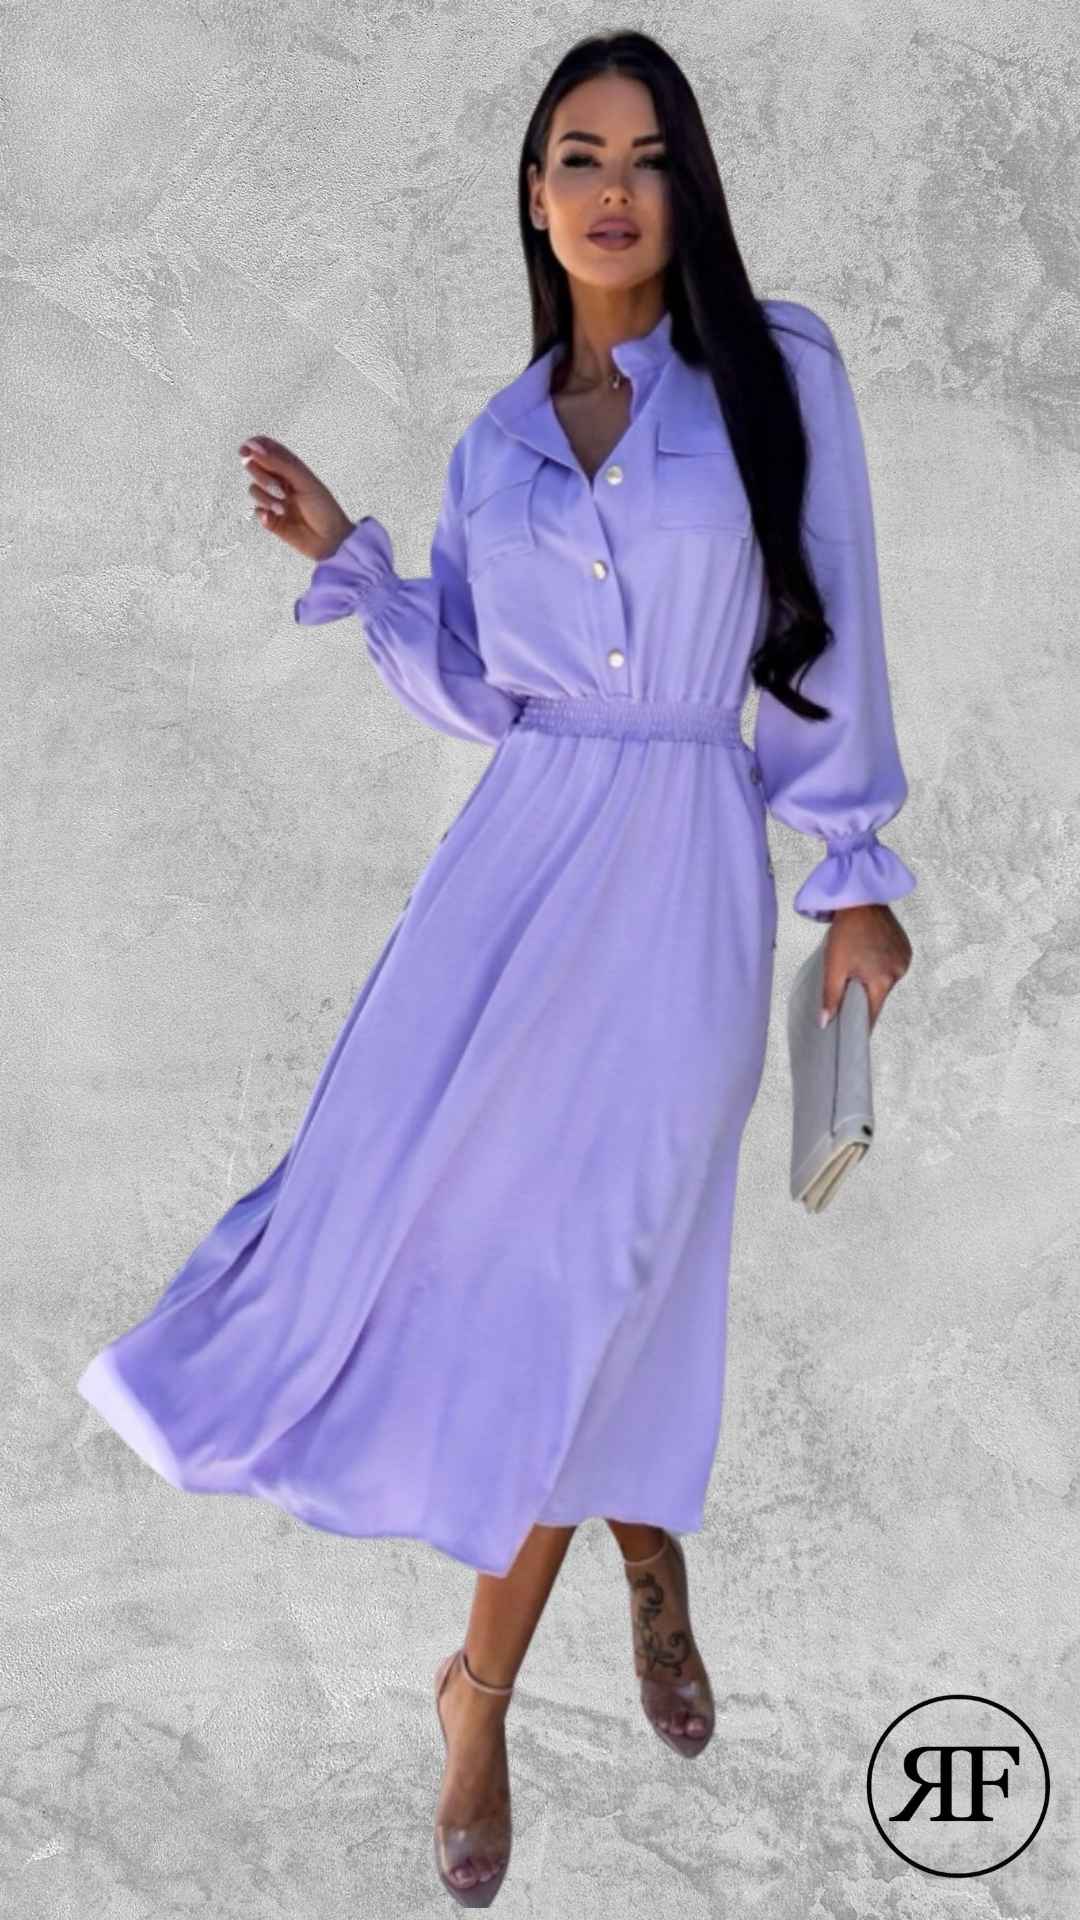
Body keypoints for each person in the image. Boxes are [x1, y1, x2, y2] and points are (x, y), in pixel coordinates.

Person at [76, 29, 916, 1910]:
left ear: (686, 188)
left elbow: (831, 620)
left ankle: (476, 1686)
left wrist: (854, 871)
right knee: (473, 1248)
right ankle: (635, 1553)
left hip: (684, 868)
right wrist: (361, 566)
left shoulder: (779, 371)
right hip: (514, 878)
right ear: (535, 198)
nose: (613, 187)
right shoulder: (499, 440)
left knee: (602, 1259)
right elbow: (485, 690)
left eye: (647, 155)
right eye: (577, 156)